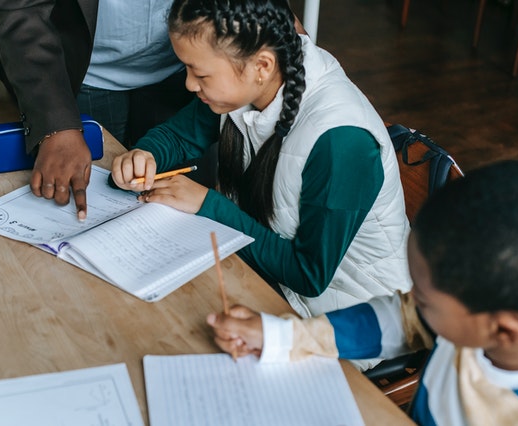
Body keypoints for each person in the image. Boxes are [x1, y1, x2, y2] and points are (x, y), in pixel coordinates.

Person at [110, 0, 412, 328]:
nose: (189, 84)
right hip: (262, 275)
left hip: (350, 316)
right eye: (186, 68)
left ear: (262, 66)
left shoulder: (341, 142)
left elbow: (308, 275)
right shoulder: (248, 82)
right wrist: (144, 155)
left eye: (199, 73)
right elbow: (180, 135)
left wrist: (207, 205)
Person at [207, 160, 518, 425]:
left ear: (503, 332)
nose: (410, 299)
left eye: (424, 299)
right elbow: (401, 319)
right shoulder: (494, 307)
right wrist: (279, 336)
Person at [0, 0, 193, 221]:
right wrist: (57, 124)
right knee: (85, 204)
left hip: (183, 67)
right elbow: (19, 7)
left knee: (176, 213)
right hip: (82, 70)